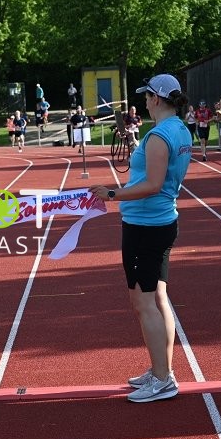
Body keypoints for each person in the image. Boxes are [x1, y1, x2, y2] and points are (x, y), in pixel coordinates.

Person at [89, 73, 191, 403]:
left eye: (147, 96)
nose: (144, 102)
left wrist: (112, 193)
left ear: (156, 99)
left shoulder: (160, 136)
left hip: (146, 226)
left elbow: (152, 185)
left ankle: (163, 379)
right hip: (158, 223)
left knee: (145, 301)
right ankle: (161, 370)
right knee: (157, 298)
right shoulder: (180, 130)